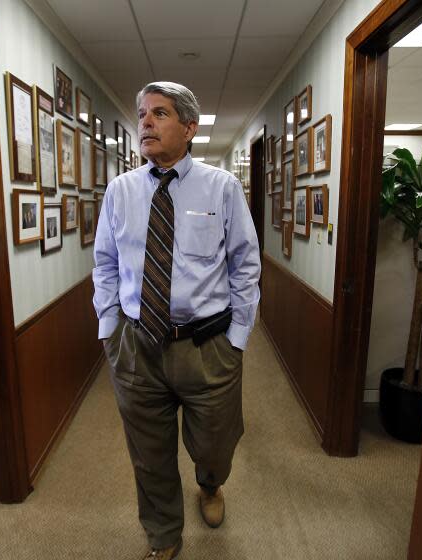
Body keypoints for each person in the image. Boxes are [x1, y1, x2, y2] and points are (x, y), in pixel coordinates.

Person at [93, 81, 261, 559]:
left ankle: (210, 483)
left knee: (215, 444)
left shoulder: (221, 187)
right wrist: (109, 329)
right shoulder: (120, 191)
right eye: (142, 113)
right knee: (148, 453)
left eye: (160, 113)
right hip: (135, 345)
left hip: (207, 345)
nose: (145, 122)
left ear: (189, 128)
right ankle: (163, 534)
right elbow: (105, 263)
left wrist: (238, 339)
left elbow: (245, 265)